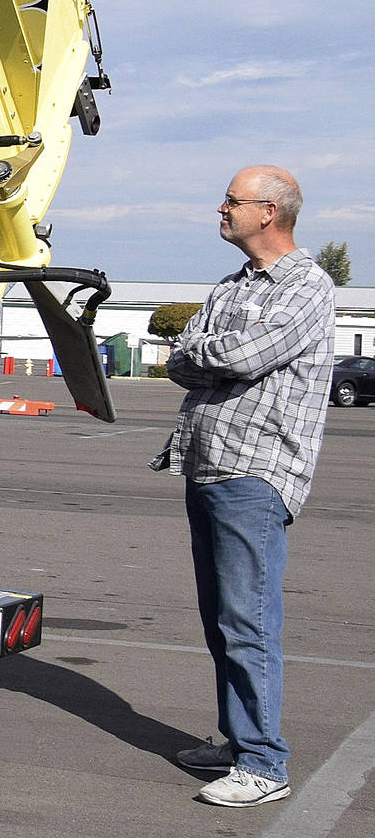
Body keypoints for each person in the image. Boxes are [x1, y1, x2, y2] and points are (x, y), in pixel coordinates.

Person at [164, 165, 334, 807]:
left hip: (255, 474)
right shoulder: (231, 286)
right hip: (207, 464)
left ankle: (264, 765)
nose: (222, 208)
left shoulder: (306, 285)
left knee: (247, 621)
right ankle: (240, 743)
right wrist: (212, 353)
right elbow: (181, 359)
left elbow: (241, 356)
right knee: (221, 620)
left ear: (269, 212)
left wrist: (211, 352)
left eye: (232, 201)